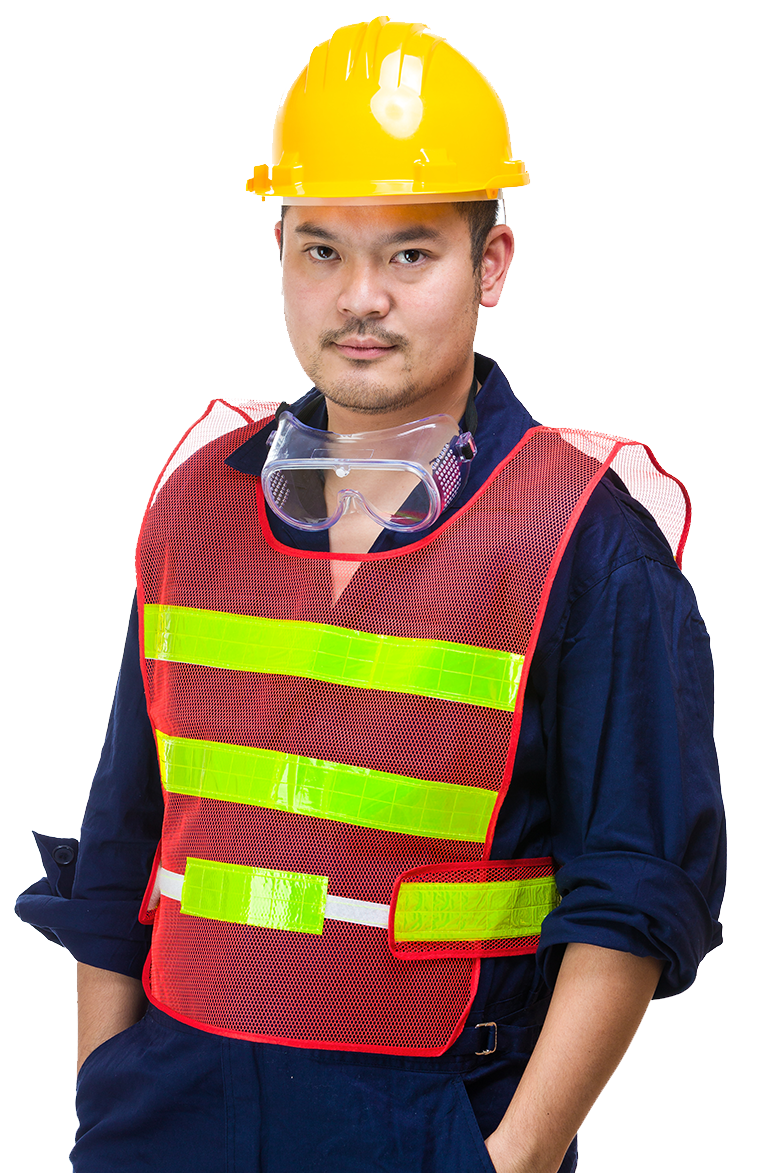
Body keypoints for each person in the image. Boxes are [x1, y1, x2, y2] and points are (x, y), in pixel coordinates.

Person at [16, 16, 725, 1173]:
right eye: (321, 250)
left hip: (429, 1118)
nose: (360, 297)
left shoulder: (585, 544)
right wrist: (107, 1093)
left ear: (491, 265)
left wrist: (516, 1154)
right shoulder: (197, 508)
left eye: (408, 254)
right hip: (168, 1114)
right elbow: (123, 837)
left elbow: (637, 887)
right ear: (280, 252)